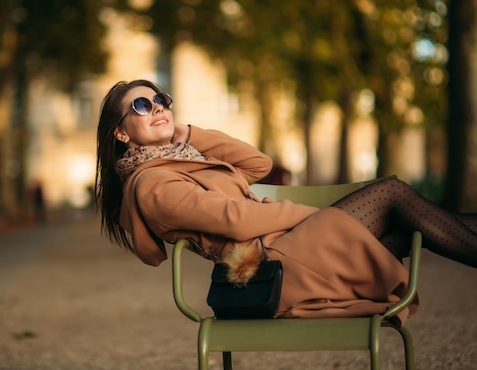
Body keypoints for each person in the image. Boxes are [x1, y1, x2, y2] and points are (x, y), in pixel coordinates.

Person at [95, 79, 477, 323]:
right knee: (391, 192)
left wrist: (190, 132)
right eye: (142, 106)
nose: (158, 107)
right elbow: (237, 221)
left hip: (288, 250)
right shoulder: (152, 183)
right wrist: (318, 215)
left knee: (410, 222)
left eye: (160, 99)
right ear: (122, 134)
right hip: (270, 267)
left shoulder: (184, 156)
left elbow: (257, 164)